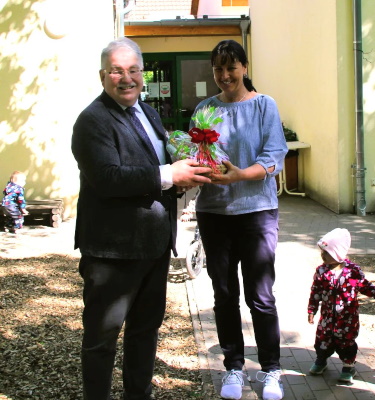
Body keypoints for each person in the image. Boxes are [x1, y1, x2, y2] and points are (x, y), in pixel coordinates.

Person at [71, 37, 212, 400]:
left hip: (153, 245)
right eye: (117, 71)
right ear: (103, 75)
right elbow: (108, 178)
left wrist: (183, 181)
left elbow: (155, 169)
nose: (127, 78)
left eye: (134, 70)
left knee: (145, 331)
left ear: (143, 74)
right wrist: (170, 175)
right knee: (102, 339)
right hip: (111, 253)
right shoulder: (92, 121)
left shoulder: (147, 113)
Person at [191, 39, 288, 400]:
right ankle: (233, 366)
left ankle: (271, 370)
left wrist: (240, 175)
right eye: (218, 68)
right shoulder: (204, 109)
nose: (224, 75)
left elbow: (275, 154)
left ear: (244, 68)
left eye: (231, 67)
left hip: (257, 212)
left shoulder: (264, 105)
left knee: (261, 296)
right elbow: (198, 153)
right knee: (224, 293)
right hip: (214, 213)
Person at [307, 228, 375, 383]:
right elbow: (316, 292)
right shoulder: (321, 271)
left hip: (347, 319)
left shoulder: (353, 271)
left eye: (327, 252)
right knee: (322, 340)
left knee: (346, 342)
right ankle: (321, 360)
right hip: (327, 317)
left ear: (338, 253)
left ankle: (348, 366)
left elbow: (366, 287)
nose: (322, 255)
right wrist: (311, 309)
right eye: (322, 252)